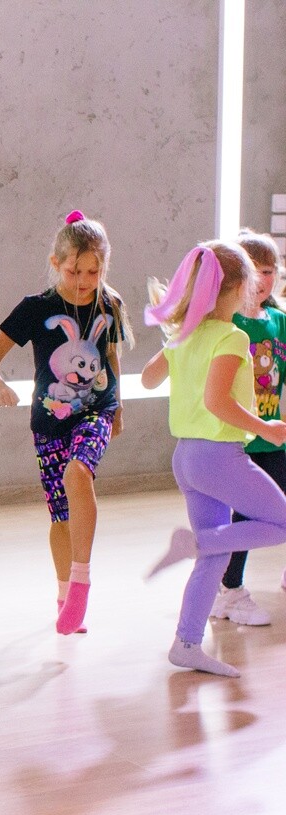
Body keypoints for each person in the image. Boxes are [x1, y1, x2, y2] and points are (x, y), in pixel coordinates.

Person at [0, 211, 132, 634]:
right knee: (60, 516)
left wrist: (117, 407)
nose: (84, 281)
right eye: (74, 271)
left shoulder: (109, 304)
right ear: (56, 263)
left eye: (93, 272)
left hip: (96, 412)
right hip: (49, 423)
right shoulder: (37, 308)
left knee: (77, 472)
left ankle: (81, 582)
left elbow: (111, 357)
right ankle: (64, 595)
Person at [142, 241, 286, 677]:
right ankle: (195, 544)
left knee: (215, 556)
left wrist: (177, 343)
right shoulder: (231, 336)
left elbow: (147, 379)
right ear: (240, 287)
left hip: (187, 459)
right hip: (218, 457)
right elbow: (217, 401)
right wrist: (267, 428)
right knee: (280, 522)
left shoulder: (186, 334)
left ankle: (186, 643)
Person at [216, 230, 286, 626]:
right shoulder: (227, 321)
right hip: (239, 440)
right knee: (243, 515)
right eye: (253, 271)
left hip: (273, 439)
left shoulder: (279, 321)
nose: (261, 280)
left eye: (269, 271)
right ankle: (229, 589)